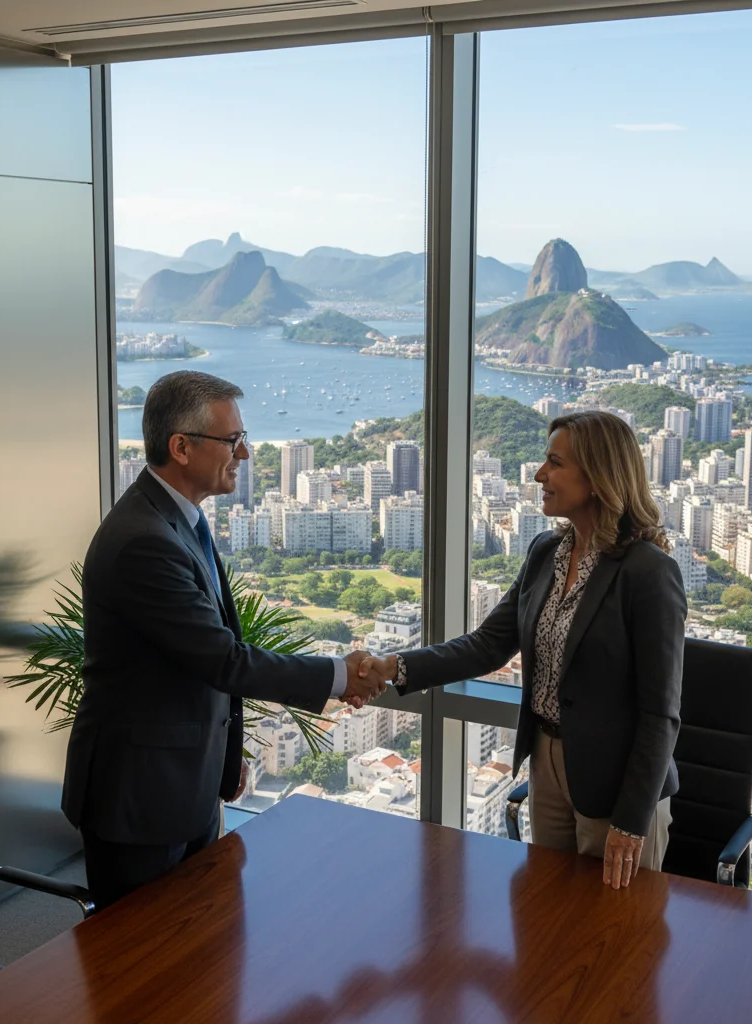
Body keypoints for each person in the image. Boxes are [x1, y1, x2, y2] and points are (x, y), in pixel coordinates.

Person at [62, 371, 388, 908]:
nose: (248, 452)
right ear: (182, 447)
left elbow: (201, 659)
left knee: (195, 955)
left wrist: (225, 753)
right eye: (233, 439)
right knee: (140, 966)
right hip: (140, 798)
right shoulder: (144, 541)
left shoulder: (178, 519)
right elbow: (224, 659)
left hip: (183, 781)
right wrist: (340, 674)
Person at [360, 410, 686, 889]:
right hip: (546, 763)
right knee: (547, 914)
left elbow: (661, 714)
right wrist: (394, 666)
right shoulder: (545, 553)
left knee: (613, 936)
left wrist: (631, 820)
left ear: (597, 477)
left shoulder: (648, 573)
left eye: (554, 463)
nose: (539, 475)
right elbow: (489, 645)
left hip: (618, 784)